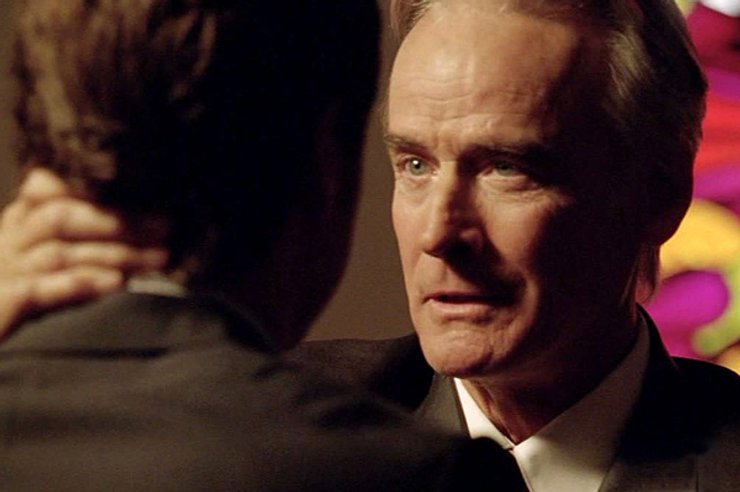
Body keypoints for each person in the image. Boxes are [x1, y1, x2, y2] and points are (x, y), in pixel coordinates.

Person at [2, 0, 739, 490]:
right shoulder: (265, 420)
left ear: (659, 196)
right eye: (414, 164)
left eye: (506, 168)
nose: (439, 232)